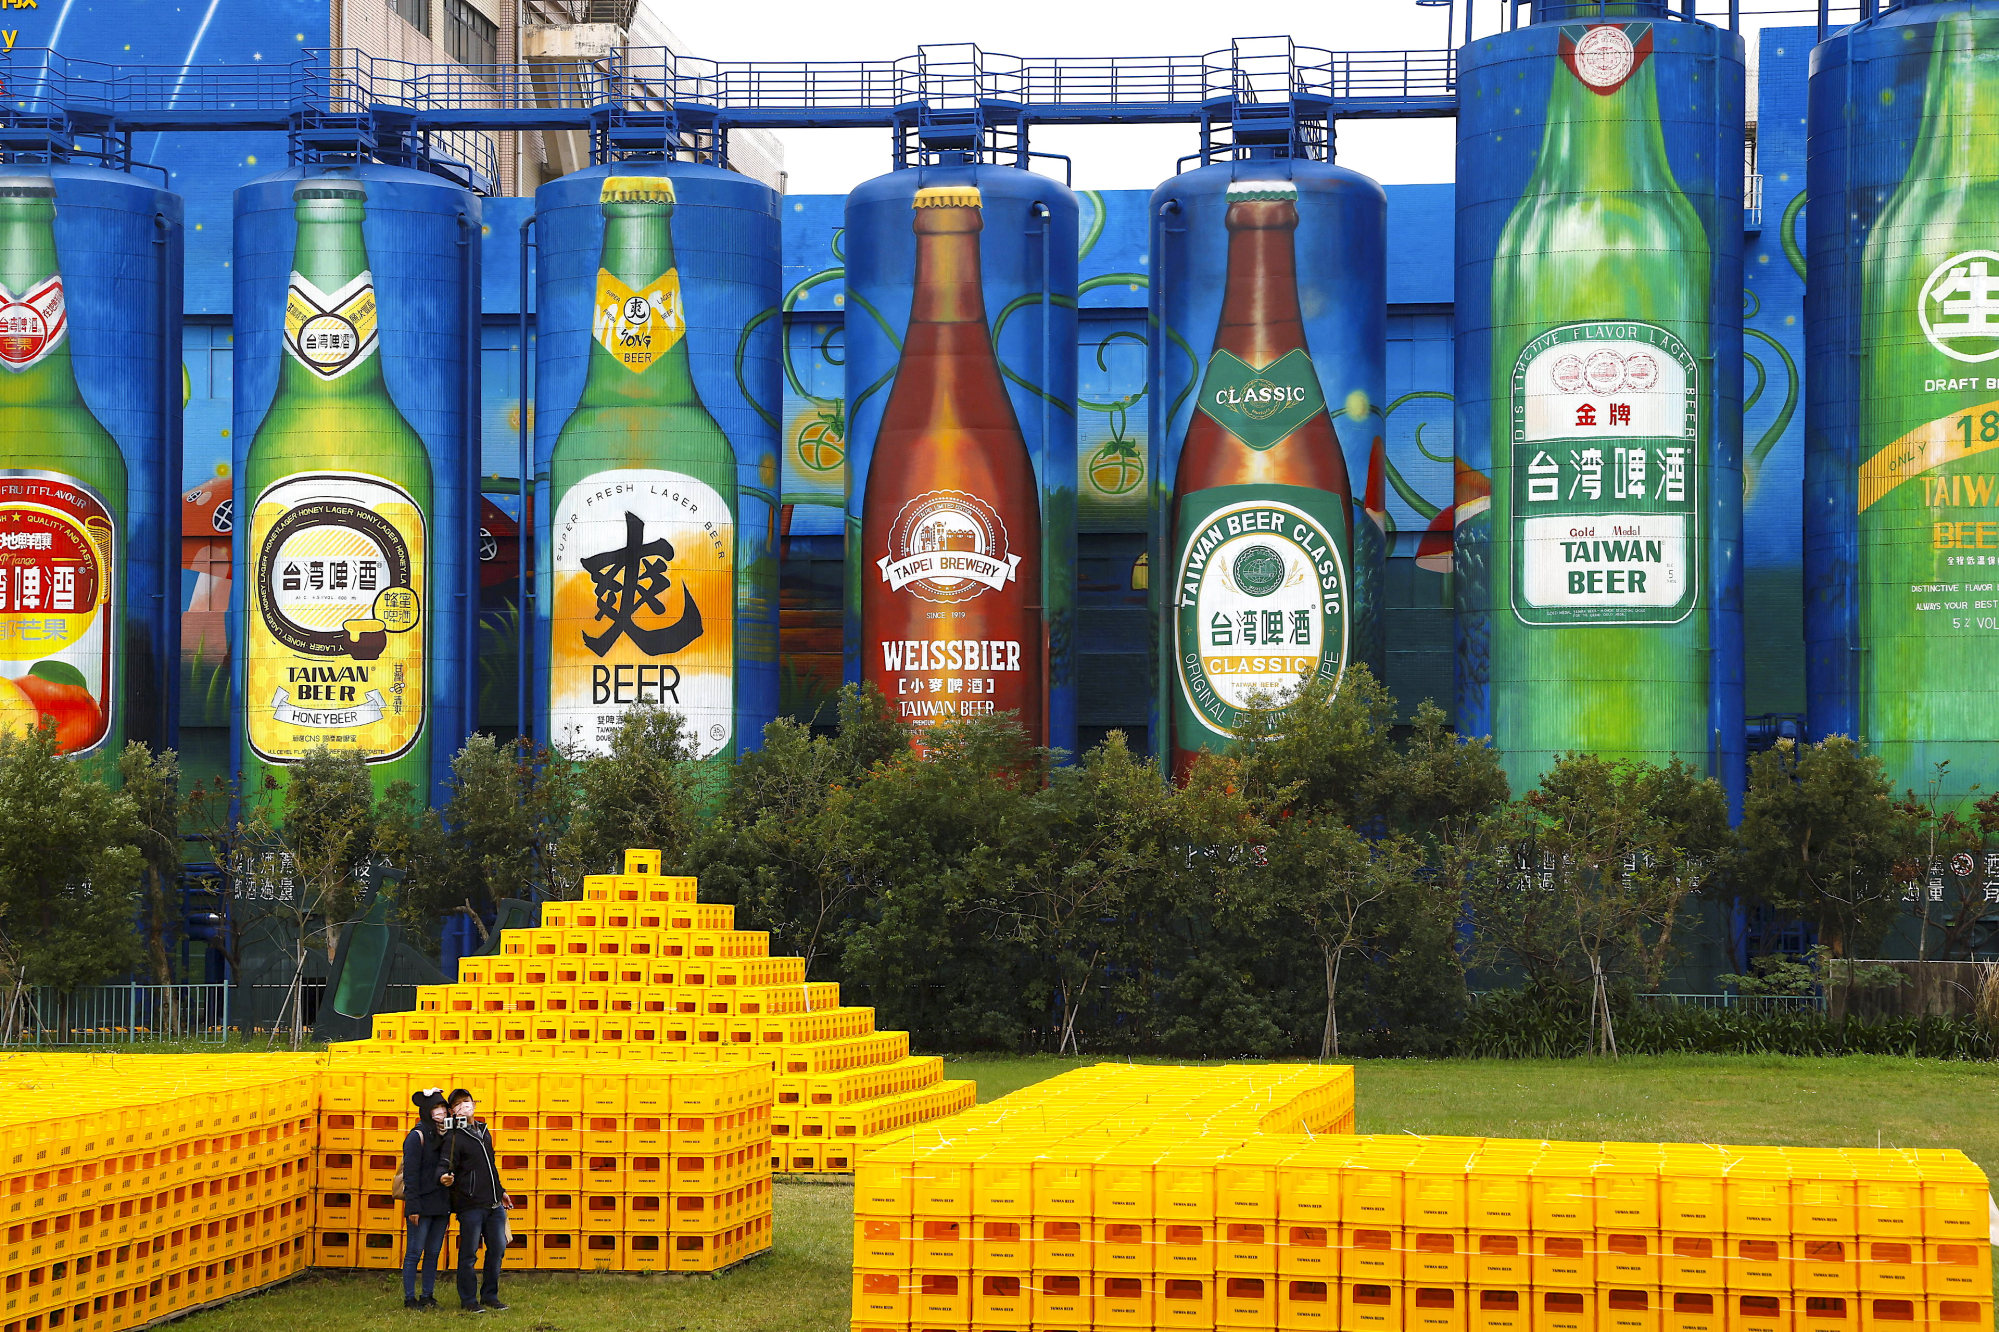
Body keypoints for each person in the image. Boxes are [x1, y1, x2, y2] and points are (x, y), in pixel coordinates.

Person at [439, 1087, 511, 1314]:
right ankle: (469, 1300)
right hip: (470, 1205)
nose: (464, 1106)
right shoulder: (453, 1136)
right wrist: (444, 1177)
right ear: (452, 1110)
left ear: (473, 1104)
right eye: (458, 1104)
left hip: (493, 1203)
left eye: (466, 1102)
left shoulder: (484, 1130)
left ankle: (490, 1295)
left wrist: (500, 1191)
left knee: (498, 1248)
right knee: (469, 1253)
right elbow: (444, 1165)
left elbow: (491, 1165)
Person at [401, 1088, 453, 1310]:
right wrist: (412, 1207)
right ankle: (409, 1298)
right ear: (426, 1112)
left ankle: (427, 1295)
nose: (440, 1112)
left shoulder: (447, 1136)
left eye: (442, 1108)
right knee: (414, 1251)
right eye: (435, 1109)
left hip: (441, 1204)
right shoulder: (416, 1136)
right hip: (421, 1205)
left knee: (433, 1253)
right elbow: (410, 1175)